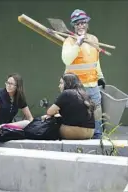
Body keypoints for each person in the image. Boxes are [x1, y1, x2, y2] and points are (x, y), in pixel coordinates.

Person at [61, 9, 106, 139]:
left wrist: (100, 76)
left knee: (96, 111)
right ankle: (77, 137)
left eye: (83, 23)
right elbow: (66, 59)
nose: (80, 26)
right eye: (77, 24)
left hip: (92, 84)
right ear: (73, 26)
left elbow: (96, 61)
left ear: (87, 24)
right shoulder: (69, 41)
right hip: (75, 87)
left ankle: (97, 136)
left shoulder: (93, 39)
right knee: (77, 113)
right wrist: (77, 44)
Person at [43, 73, 95, 140]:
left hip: (74, 132)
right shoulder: (85, 94)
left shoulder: (66, 93)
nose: (59, 86)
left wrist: (51, 115)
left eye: (61, 83)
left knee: (49, 121)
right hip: (90, 133)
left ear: (68, 83)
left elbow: (49, 112)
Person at [0, 73, 33, 138]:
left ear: (17, 86)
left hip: (9, 127)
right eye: (7, 83)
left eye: (11, 84)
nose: (8, 85)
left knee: (27, 123)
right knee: (4, 127)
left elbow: (30, 117)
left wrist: (34, 127)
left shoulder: (19, 98)